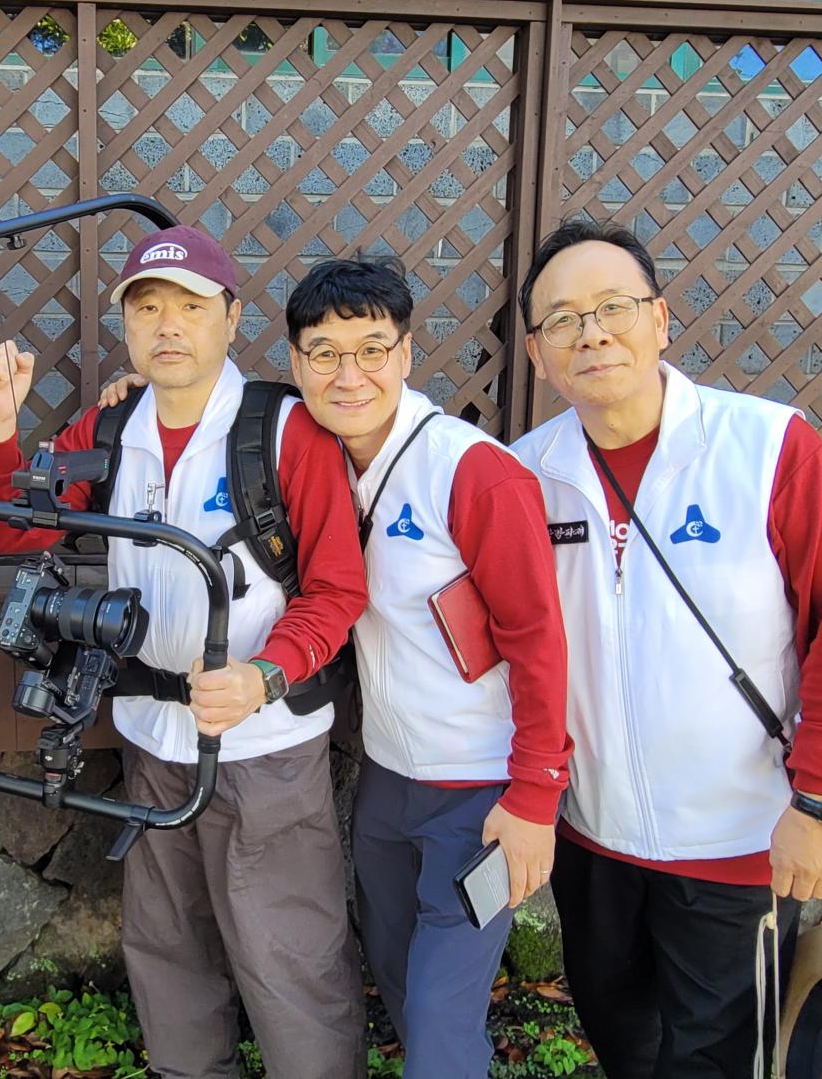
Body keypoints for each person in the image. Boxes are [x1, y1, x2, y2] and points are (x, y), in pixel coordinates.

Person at [0, 225, 369, 1078]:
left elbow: (338, 590)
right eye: (147, 308)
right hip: (154, 737)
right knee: (166, 942)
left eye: (190, 305)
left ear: (231, 316)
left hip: (266, 745)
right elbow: (15, 531)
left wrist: (265, 675)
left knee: (288, 949)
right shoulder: (113, 423)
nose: (168, 326)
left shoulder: (283, 431)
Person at [510, 218, 822, 1077]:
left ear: (660, 318)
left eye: (613, 307)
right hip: (594, 842)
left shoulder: (768, 447)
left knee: (717, 1059)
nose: (591, 333)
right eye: (562, 319)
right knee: (622, 1043)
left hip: (740, 845)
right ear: (537, 353)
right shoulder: (525, 473)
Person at [284, 258, 572, 1077]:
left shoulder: (470, 470)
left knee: (443, 1016)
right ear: (297, 364)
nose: (349, 376)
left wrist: (535, 796)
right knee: (401, 983)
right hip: (386, 780)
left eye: (372, 350)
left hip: (480, 791)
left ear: (407, 353)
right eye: (325, 353)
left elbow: (539, 640)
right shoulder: (308, 452)